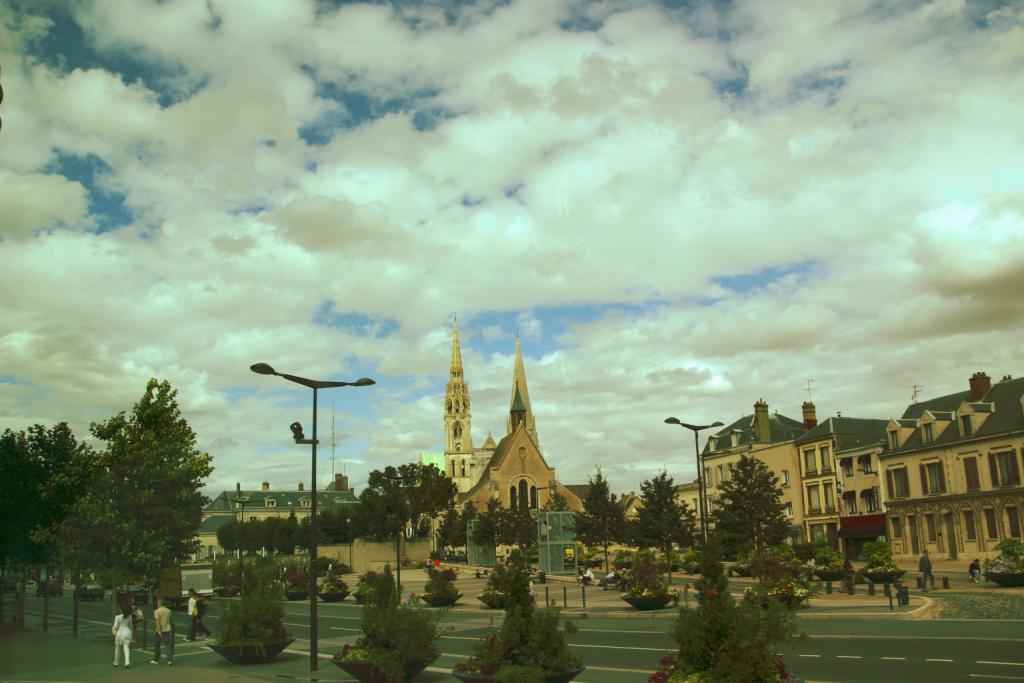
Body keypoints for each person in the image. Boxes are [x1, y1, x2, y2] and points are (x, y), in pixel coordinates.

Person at [151, 598, 174, 666]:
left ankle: (156, 660)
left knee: (157, 645)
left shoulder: (157, 611)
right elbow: (170, 620)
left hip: (160, 630)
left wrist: (159, 631)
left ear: (159, 603)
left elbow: (158, 622)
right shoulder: (168, 610)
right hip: (167, 629)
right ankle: (169, 660)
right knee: (168, 645)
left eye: (158, 602)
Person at [112, 603, 133, 668]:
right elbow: (130, 626)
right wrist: (131, 634)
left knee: (117, 648)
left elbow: (115, 626)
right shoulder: (129, 616)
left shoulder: (117, 617)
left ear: (121, 610)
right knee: (126, 647)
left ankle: (116, 662)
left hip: (119, 633)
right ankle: (127, 662)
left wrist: (113, 631)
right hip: (127, 632)